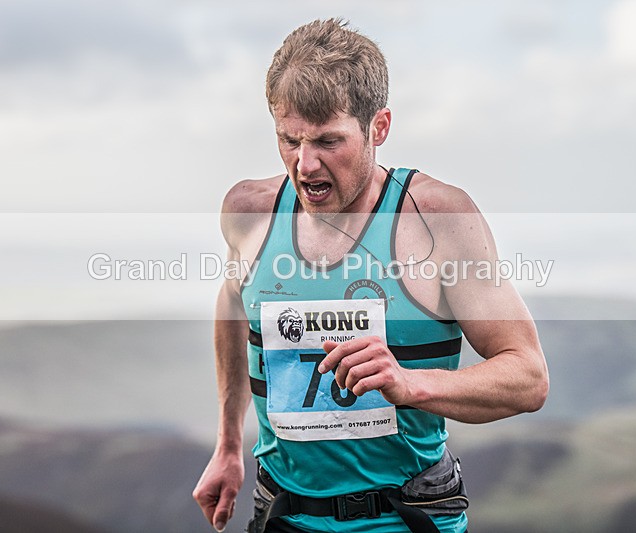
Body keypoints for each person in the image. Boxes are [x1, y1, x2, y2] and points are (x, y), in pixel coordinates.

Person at [193, 18, 549, 533]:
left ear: (379, 127)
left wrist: (410, 384)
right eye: (288, 139)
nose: (305, 164)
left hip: (405, 519)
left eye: (327, 141)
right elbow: (234, 305)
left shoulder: (436, 219)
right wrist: (228, 443)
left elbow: (529, 378)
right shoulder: (249, 212)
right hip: (283, 514)